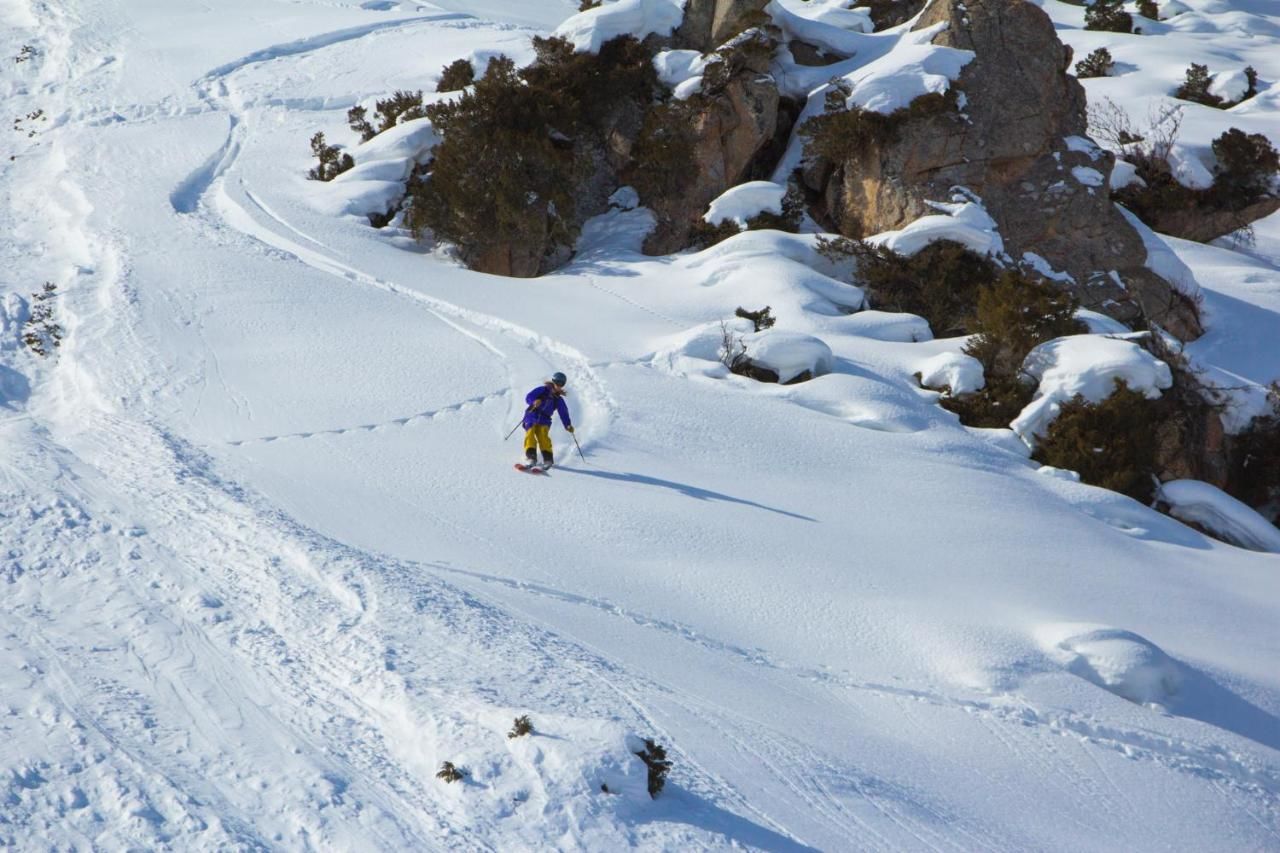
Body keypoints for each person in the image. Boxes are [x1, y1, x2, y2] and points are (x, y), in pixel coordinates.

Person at [522, 371, 574, 469]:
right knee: (530, 434)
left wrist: (567, 424)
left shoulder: (558, 399)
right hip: (532, 414)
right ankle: (531, 457)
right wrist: (534, 401)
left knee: (543, 436)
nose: (559, 385)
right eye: (557, 382)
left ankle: (548, 459)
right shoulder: (542, 390)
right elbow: (529, 397)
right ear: (553, 381)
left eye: (561, 384)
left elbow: (563, 412)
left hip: (545, 419)